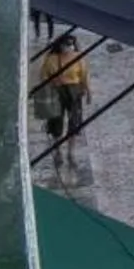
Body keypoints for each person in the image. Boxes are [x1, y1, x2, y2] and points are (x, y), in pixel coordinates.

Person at [37, 36, 90, 179]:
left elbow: (84, 75)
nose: (69, 47)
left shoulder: (78, 57)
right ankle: (57, 150)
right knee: (56, 122)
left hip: (74, 92)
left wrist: (88, 91)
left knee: (74, 122)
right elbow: (43, 76)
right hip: (57, 92)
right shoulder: (51, 59)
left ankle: (71, 152)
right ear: (60, 45)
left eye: (72, 44)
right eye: (67, 44)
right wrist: (52, 84)